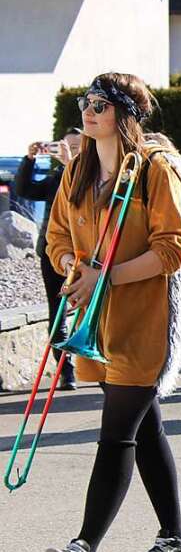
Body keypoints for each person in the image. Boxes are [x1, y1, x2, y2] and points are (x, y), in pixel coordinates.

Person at [42, 73, 181, 552]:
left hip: (145, 320)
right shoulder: (79, 170)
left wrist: (103, 277)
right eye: (85, 103)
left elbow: (174, 248)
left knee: (115, 435)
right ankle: (175, 535)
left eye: (100, 105)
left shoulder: (155, 171)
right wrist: (73, 266)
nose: (88, 112)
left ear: (124, 114)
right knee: (144, 427)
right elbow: (57, 238)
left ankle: (84, 545)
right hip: (97, 321)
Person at [15, 130, 82, 390]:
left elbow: (85, 197)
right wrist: (29, 160)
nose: (72, 151)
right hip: (53, 252)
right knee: (58, 313)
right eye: (66, 147)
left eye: (77, 147)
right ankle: (67, 371)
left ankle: (103, 368)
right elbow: (25, 189)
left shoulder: (94, 174)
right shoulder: (56, 178)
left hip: (87, 254)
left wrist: (70, 164)